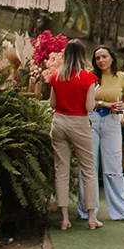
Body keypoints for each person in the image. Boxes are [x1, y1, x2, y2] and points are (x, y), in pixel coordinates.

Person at [48, 39, 101, 231]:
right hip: (78, 123)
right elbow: (89, 107)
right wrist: (93, 94)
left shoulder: (56, 77)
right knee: (87, 170)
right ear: (83, 55)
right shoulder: (88, 79)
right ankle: (91, 218)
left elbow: (52, 104)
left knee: (61, 170)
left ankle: (64, 218)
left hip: (59, 122)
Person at [79, 45, 124, 223]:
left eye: (104, 57)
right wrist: (104, 103)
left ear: (112, 57)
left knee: (114, 166)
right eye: (97, 58)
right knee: (89, 166)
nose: (101, 61)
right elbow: (87, 100)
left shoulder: (122, 77)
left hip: (112, 121)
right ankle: (86, 210)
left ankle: (121, 211)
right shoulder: (91, 76)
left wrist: (121, 106)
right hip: (93, 119)